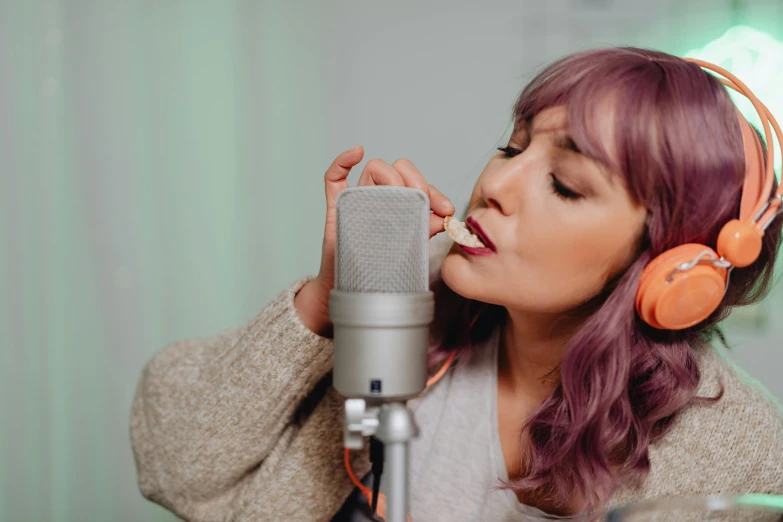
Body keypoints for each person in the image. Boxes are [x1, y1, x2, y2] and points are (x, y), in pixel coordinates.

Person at [130, 47, 783, 522]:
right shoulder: (397, 316)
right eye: (511, 148)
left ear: (671, 267)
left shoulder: (736, 452)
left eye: (564, 184)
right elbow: (174, 466)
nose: (494, 185)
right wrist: (330, 299)